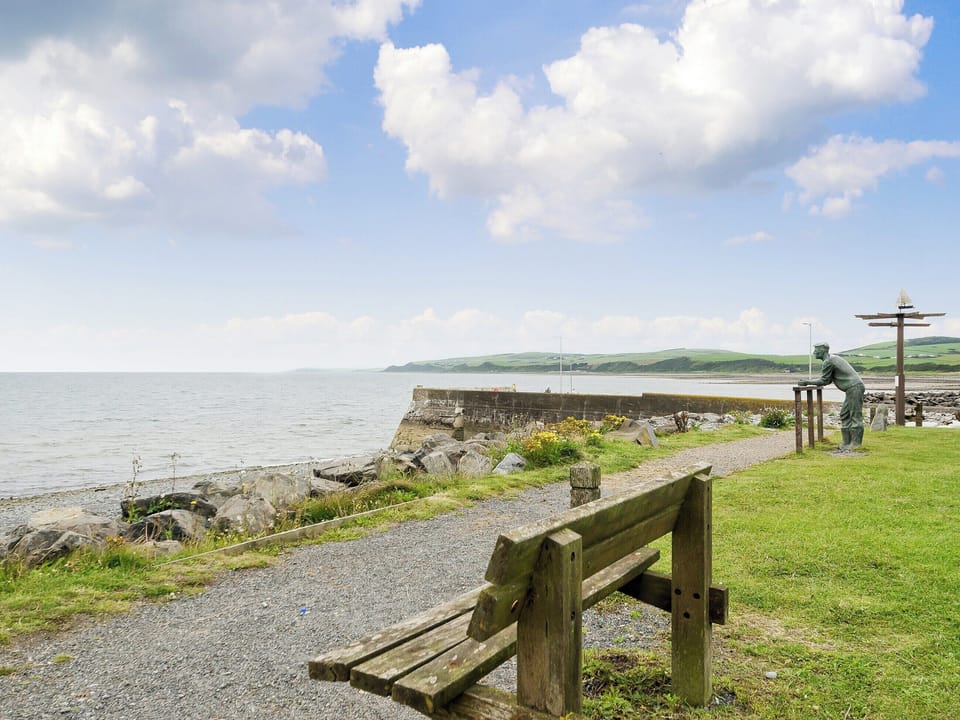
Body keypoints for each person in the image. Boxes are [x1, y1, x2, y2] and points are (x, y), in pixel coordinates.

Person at [799, 341, 865, 451]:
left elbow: (824, 380)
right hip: (853, 388)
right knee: (844, 415)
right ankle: (846, 443)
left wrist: (806, 382)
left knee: (855, 416)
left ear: (823, 351)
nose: (814, 352)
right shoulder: (832, 359)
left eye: (816, 350)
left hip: (854, 388)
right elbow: (828, 380)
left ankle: (856, 444)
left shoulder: (828, 362)